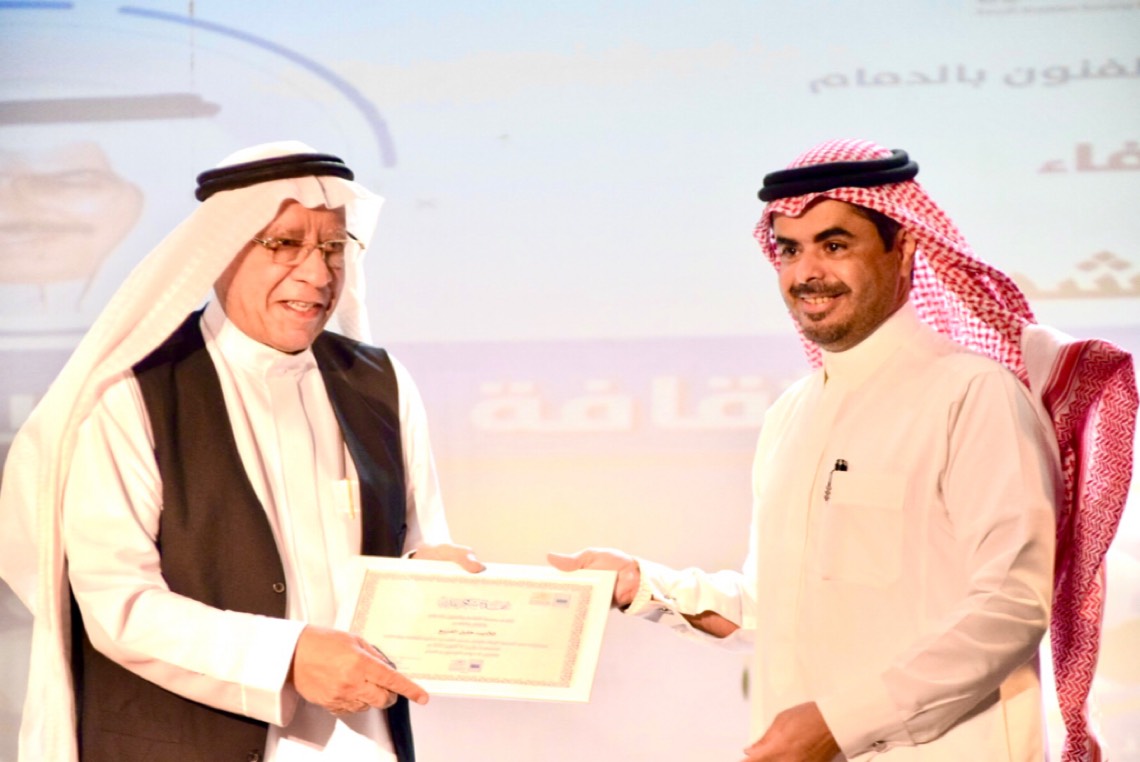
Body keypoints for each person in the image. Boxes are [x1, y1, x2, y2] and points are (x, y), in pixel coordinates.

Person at [551, 138, 1137, 761]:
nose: (807, 273)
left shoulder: (973, 394)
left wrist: (839, 723)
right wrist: (643, 584)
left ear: (903, 248)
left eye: (834, 245)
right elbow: (775, 607)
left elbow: (1011, 608)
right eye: (790, 249)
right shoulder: (792, 414)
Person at [0, 141, 483, 762]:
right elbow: (119, 603)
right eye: (285, 244)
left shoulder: (380, 383)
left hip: (362, 744)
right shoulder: (134, 391)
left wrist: (440, 579)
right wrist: (288, 657)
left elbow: (419, 542)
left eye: (333, 247)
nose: (318, 275)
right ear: (220, 249)